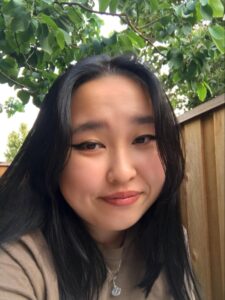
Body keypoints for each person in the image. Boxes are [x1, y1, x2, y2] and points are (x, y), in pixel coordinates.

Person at [0, 54, 200, 300]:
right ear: (51, 156)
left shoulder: (169, 238)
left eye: (143, 138)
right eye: (90, 145)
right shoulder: (16, 259)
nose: (123, 173)